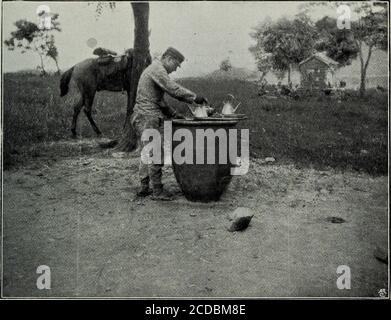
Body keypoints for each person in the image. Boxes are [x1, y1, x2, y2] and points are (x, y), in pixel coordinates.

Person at [131, 47, 208, 201]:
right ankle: (158, 191)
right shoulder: (157, 69)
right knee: (156, 153)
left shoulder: (154, 69)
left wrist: (173, 114)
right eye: (176, 65)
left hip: (143, 116)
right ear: (169, 59)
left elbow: (158, 100)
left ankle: (144, 187)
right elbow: (173, 89)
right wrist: (195, 97)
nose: (175, 69)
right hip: (148, 117)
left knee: (147, 152)